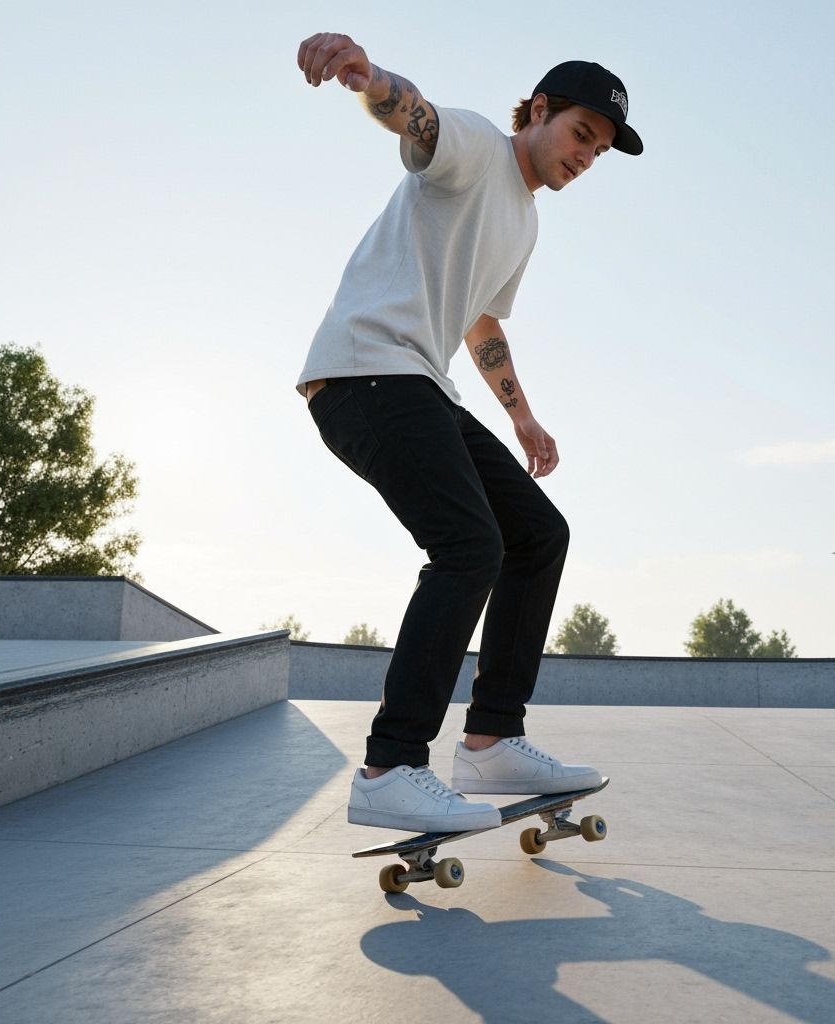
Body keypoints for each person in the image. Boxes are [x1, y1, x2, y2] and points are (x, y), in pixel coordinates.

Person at [296, 33, 643, 832]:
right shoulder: (482, 146)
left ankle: (489, 739)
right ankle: (391, 766)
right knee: (468, 545)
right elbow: (416, 120)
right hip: (362, 373)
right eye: (580, 135)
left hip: (419, 382)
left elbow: (480, 318)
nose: (586, 157)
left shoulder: (522, 222)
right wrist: (370, 77)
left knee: (537, 532)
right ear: (541, 112)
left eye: (599, 150)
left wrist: (520, 412)